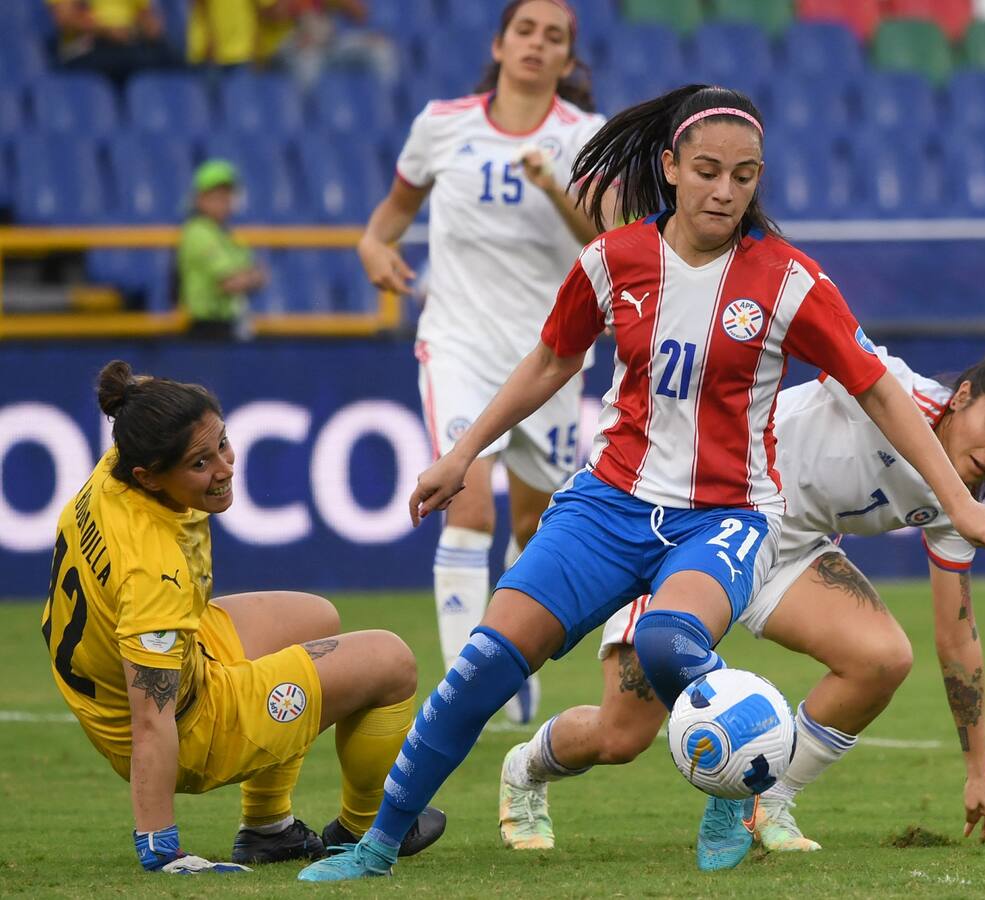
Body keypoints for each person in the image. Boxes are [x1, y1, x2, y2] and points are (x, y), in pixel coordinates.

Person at [297, 82, 985, 882]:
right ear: (671, 168)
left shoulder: (789, 281)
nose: (726, 190)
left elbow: (878, 388)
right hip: (610, 501)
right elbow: (551, 361)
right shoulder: (612, 262)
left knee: (666, 640)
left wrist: (962, 503)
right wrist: (463, 453)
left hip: (727, 514)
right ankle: (376, 847)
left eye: (746, 175)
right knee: (484, 667)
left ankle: (736, 786)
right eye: (710, 170)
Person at [497, 338, 985, 868]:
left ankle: (769, 800)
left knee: (882, 658)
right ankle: (523, 772)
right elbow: (810, 324)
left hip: (785, 554)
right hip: (695, 523)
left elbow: (957, 638)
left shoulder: (961, 503)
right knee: (620, 738)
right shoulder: (887, 386)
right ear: (963, 396)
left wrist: (979, 774)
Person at [41, 360, 445, 874]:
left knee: (316, 618)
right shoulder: (150, 572)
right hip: (190, 730)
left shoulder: (119, 465)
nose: (225, 468)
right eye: (200, 463)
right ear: (149, 476)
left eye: (223, 444)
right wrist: (161, 848)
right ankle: (366, 827)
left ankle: (267, 830)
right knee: (393, 660)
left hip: (149, 672)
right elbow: (150, 721)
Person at [355, 0, 607, 724]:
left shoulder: (584, 138)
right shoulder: (443, 123)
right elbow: (386, 224)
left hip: (550, 356)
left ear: (567, 58)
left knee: (538, 528)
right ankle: (475, 696)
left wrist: (556, 187)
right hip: (458, 340)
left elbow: (610, 241)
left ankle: (511, 656)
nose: (536, 44)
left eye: (553, 36)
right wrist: (375, 250)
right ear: (499, 43)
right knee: (464, 500)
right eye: (525, 31)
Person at [177, 160, 265, 341]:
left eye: (227, 196)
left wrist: (250, 277)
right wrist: (251, 277)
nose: (223, 202)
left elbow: (258, 274)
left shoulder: (225, 233)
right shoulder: (198, 231)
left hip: (228, 324)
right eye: (216, 196)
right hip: (208, 330)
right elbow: (231, 282)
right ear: (200, 199)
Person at [47, 0, 179, 86]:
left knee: (170, 59)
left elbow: (146, 17)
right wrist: (106, 31)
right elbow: (64, 18)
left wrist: (148, 27)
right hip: (85, 46)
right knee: (131, 58)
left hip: (128, 44)